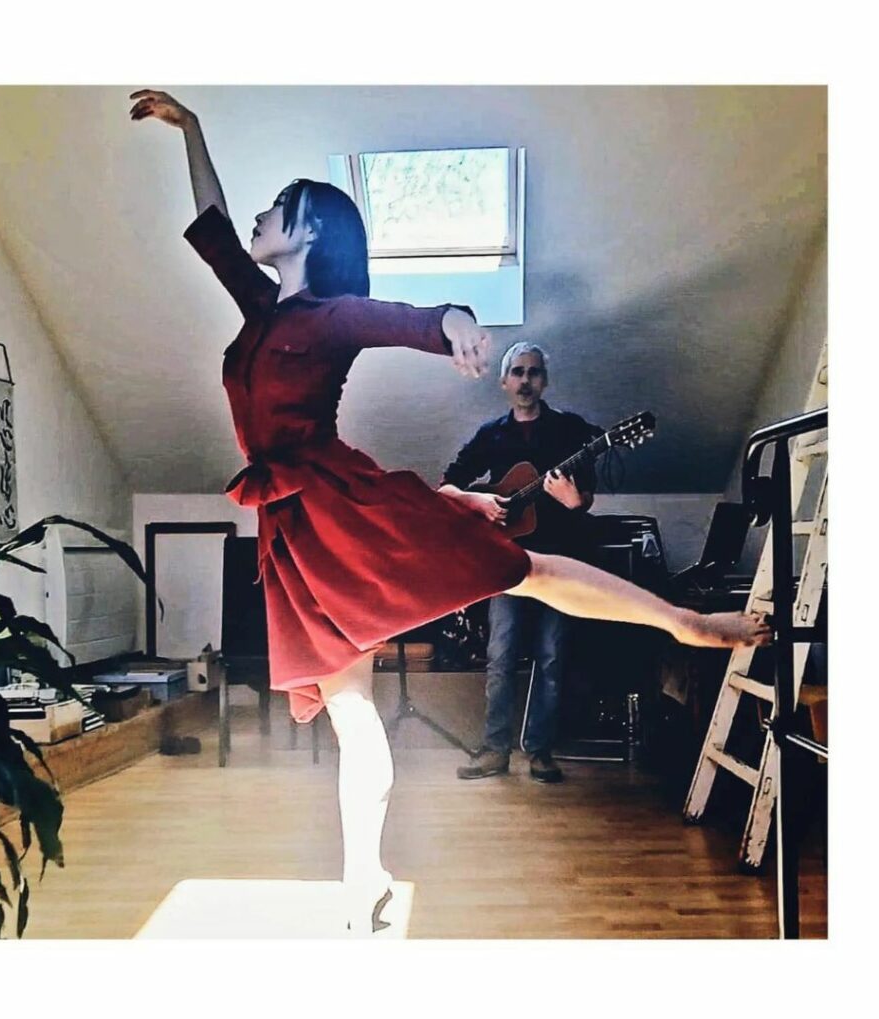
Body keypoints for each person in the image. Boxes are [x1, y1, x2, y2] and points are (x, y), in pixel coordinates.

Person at [129, 89, 771, 936]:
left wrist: (461, 323)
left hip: (338, 501)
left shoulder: (330, 316)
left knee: (523, 569)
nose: (258, 217)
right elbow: (213, 222)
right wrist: (193, 129)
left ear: (312, 230)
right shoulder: (262, 309)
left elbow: (416, 317)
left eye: (276, 210)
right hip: (290, 531)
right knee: (353, 712)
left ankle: (687, 622)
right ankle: (366, 878)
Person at [440, 343, 601, 783]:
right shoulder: (491, 435)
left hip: (559, 561)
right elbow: (446, 487)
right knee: (501, 655)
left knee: (552, 658)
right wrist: (479, 501)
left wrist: (576, 501)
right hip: (506, 562)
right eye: (517, 372)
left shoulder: (570, 432)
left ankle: (541, 751)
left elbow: (584, 495)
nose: (525, 380)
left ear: (544, 381)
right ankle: (495, 750)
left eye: (533, 372)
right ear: (504, 382)